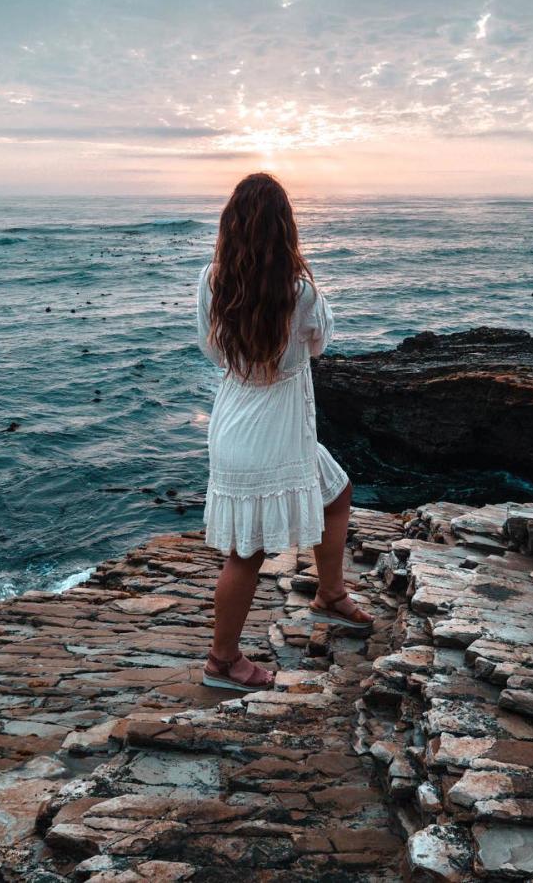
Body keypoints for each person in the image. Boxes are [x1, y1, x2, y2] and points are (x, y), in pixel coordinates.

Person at [196, 173, 373, 692]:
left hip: (237, 418)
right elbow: (318, 347)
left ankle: (331, 594)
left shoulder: (212, 280)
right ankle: (223, 662)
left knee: (336, 491)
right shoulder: (300, 291)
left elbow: (212, 350)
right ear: (285, 228)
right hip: (275, 425)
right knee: (247, 553)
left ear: (231, 226)